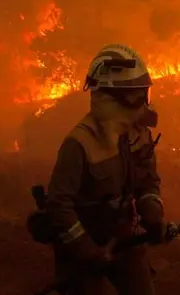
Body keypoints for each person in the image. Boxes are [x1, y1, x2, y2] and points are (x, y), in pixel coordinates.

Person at [45, 44, 165, 295]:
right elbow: (59, 206)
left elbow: (147, 181)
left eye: (145, 94)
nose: (143, 105)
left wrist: (151, 209)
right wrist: (86, 249)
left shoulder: (138, 134)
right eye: (135, 97)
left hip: (125, 239)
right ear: (108, 99)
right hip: (84, 248)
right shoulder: (79, 145)